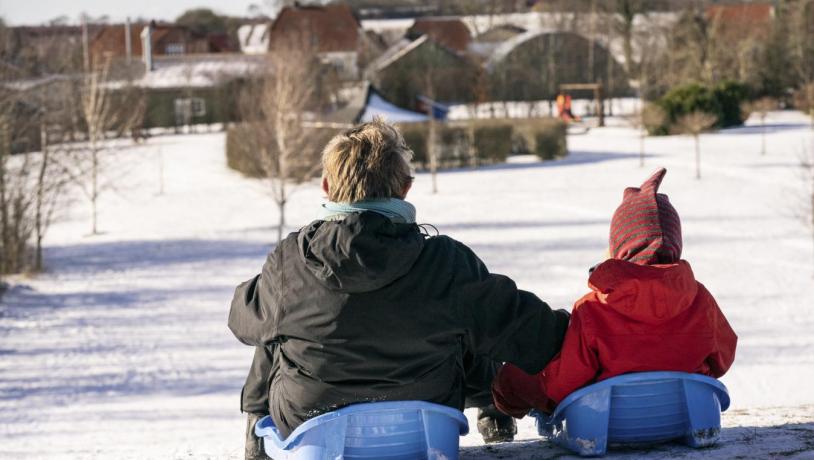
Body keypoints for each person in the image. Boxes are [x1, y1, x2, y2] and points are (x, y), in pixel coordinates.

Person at [228, 118, 571, 459]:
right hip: (423, 424)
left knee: (274, 324)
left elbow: (242, 321)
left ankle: (255, 424)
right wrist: (585, 322)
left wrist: (268, 287)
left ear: (327, 187)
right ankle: (489, 404)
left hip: (312, 426)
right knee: (468, 314)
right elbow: (537, 334)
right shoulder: (446, 263)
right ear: (406, 187)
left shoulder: (291, 262)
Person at [491, 168, 738, 418]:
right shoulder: (700, 298)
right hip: (684, 414)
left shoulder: (593, 308)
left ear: (619, 246)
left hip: (613, 422)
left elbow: (565, 382)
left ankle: (498, 406)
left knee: (513, 376)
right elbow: (723, 357)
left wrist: (519, 384)